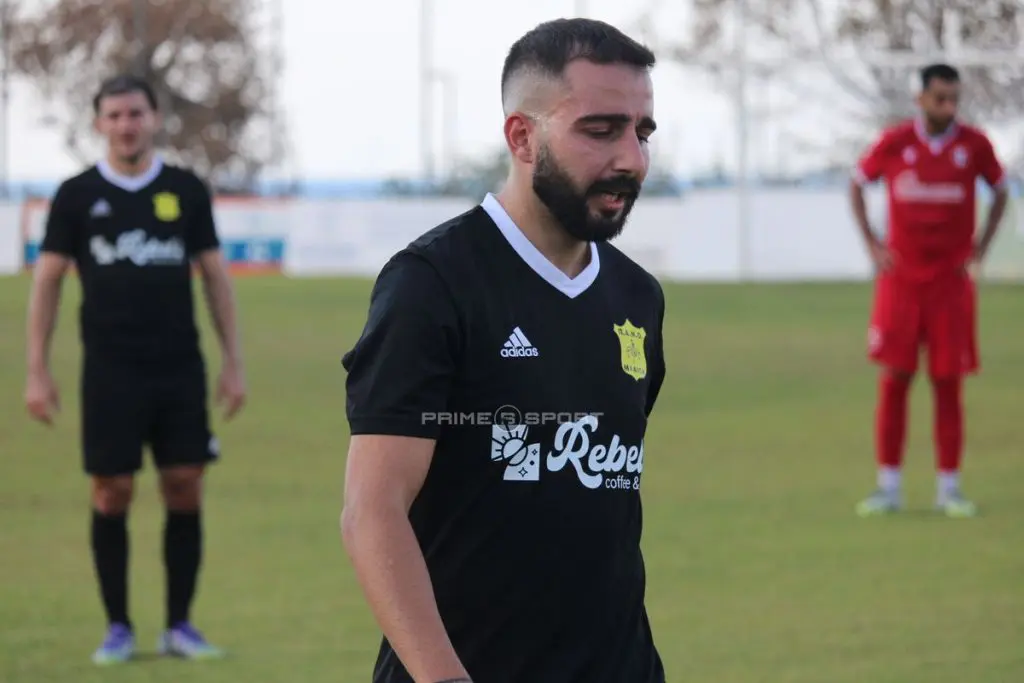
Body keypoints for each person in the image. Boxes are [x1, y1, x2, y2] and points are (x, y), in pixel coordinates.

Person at [339, 17, 667, 683]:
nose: (631, 159)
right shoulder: (433, 283)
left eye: (641, 132)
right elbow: (372, 511)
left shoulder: (637, 296)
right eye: (600, 130)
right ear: (522, 136)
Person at [24, 74, 247, 664]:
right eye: (115, 115)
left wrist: (233, 363)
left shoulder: (185, 190)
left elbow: (216, 278)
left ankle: (179, 625)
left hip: (178, 369)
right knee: (111, 491)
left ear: (155, 118)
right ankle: (118, 627)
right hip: (109, 373)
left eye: (136, 114)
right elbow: (47, 282)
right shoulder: (76, 196)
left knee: (185, 484)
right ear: (99, 123)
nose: (126, 125)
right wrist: (37, 370)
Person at [850, 63, 1009, 518]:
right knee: (894, 381)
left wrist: (980, 249)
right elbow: (857, 184)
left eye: (954, 98)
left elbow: (1001, 192)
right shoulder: (895, 142)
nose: (949, 107)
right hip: (901, 283)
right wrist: (873, 245)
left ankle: (949, 490)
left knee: (947, 383)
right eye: (940, 98)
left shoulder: (974, 145)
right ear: (920, 99)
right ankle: (889, 488)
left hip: (950, 285)